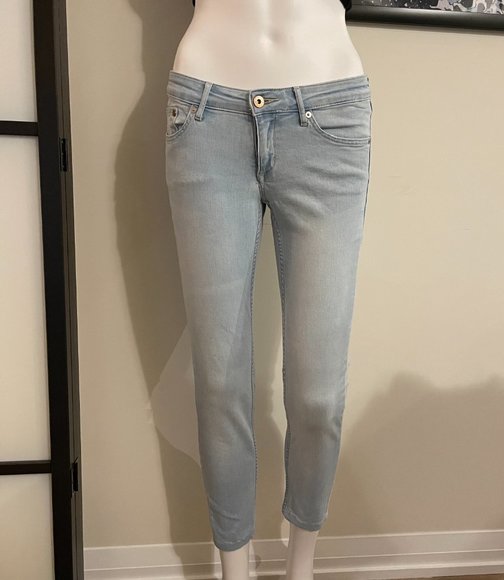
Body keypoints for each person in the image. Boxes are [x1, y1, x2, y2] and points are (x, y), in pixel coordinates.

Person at [165, 1, 372, 578]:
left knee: (317, 395)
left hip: (328, 111)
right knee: (219, 382)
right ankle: (234, 570)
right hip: (205, 110)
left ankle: (300, 567)